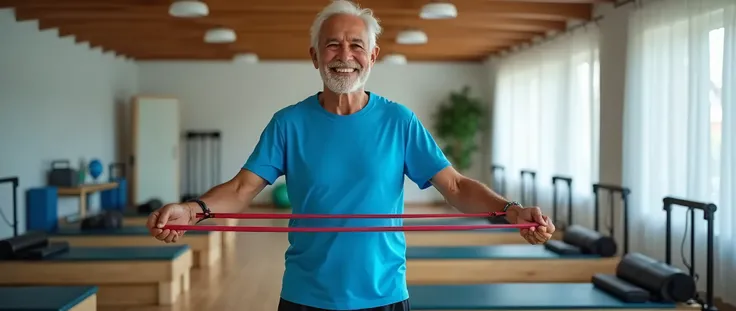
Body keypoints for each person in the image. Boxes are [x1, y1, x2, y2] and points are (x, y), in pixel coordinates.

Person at [146, 0, 555, 310]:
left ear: (372, 56)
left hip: (384, 296)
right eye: (332, 45)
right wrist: (193, 209)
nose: (345, 56)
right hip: (306, 296)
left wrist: (511, 210)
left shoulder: (399, 121)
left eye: (356, 45)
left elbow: (456, 186)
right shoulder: (288, 123)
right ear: (314, 56)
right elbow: (240, 189)